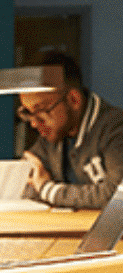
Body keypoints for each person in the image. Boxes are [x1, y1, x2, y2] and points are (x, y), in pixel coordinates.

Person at [18, 51, 123, 209]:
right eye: (28, 113)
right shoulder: (52, 137)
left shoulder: (116, 128)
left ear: (74, 100)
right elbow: (28, 185)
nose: (34, 123)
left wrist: (48, 190)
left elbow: (117, 198)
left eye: (41, 111)